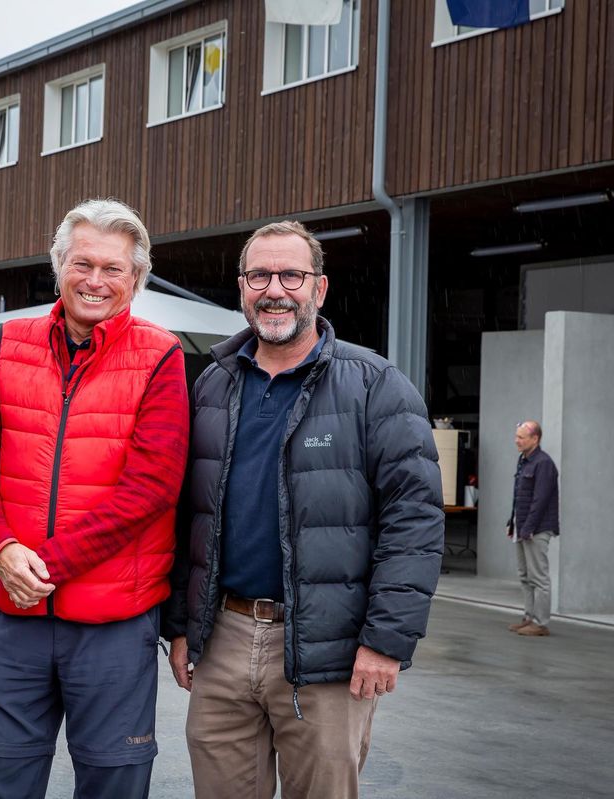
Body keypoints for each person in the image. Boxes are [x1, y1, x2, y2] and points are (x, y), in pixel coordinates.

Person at [163, 220, 444, 799]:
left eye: (292, 274)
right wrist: (183, 625)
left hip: (329, 650)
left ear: (319, 288)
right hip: (224, 637)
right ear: (242, 288)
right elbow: (187, 515)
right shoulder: (213, 384)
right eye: (259, 275)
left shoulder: (376, 386)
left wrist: (386, 641)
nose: (275, 289)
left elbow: (413, 522)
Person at [0, 199, 190, 798]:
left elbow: (151, 488)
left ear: (135, 279)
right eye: (82, 263)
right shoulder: (6, 345)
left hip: (114, 623)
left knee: (113, 782)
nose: (95, 281)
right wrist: (2, 550)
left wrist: (45, 566)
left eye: (113, 269)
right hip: (14, 617)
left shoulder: (161, 356)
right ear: (58, 266)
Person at [506, 420, 559, 637]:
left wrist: (528, 528)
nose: (516, 441)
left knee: (539, 576)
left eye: (521, 437)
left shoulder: (543, 463)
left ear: (535, 439)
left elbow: (541, 500)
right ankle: (528, 617)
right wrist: (513, 523)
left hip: (536, 529)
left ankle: (541, 622)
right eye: (516, 436)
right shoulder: (524, 461)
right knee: (525, 575)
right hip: (523, 527)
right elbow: (520, 497)